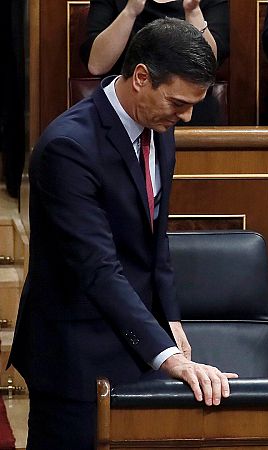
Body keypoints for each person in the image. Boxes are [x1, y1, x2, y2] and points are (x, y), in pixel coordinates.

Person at [10, 18, 238, 449]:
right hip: (75, 357)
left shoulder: (159, 127)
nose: (186, 117)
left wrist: (169, 321)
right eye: (177, 102)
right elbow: (97, 268)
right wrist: (167, 356)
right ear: (140, 78)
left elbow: (156, 240)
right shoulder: (68, 148)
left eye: (192, 105)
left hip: (135, 345)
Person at [80, 0, 229, 125]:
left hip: (190, 113)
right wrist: (130, 11)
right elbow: (97, 65)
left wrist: (193, 11)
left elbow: (209, 65)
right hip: (126, 114)